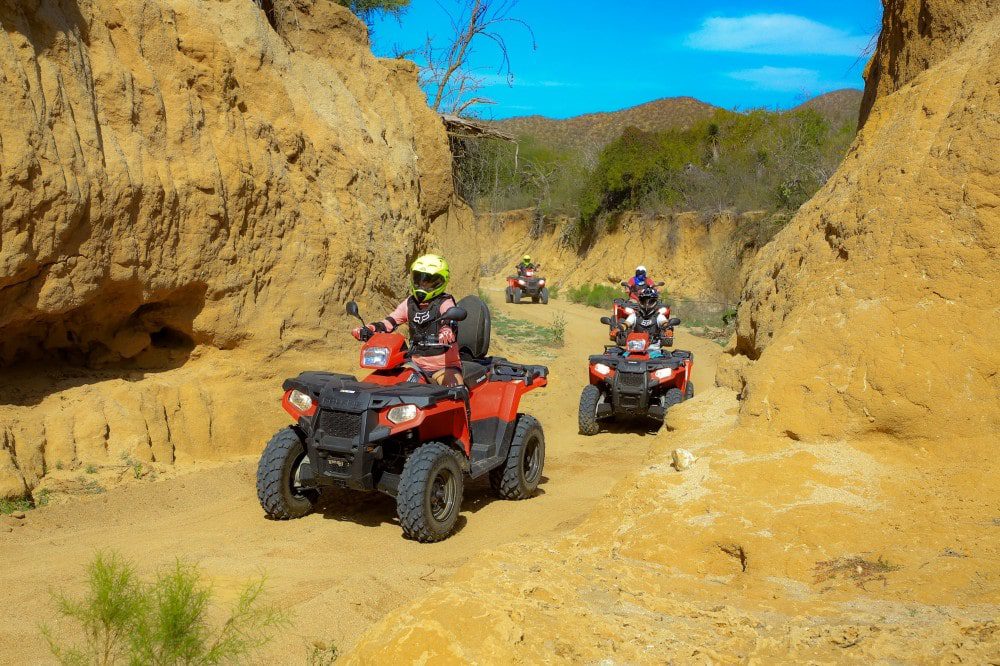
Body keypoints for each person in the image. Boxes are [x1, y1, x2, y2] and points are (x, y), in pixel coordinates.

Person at [352, 254, 463, 387]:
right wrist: (370, 329)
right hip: (415, 365)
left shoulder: (445, 302)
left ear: (440, 281)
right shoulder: (410, 303)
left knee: (454, 391)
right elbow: (390, 321)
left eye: (428, 281)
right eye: (419, 279)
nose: (422, 285)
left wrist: (447, 331)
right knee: (388, 386)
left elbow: (450, 319)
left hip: (443, 368)